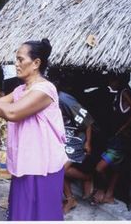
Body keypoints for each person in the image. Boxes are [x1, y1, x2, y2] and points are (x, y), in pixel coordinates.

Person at [0, 39, 68, 221]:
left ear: (36, 63)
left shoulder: (45, 89)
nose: (16, 64)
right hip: (26, 163)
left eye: (20, 59)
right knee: (23, 214)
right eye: (16, 60)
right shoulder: (21, 89)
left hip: (44, 165)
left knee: (43, 215)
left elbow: (12, 113)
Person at [91, 73, 131, 205]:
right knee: (116, 168)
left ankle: (103, 189)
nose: (109, 83)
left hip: (119, 141)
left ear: (118, 81)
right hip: (115, 139)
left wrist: (123, 128)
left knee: (99, 168)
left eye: (111, 80)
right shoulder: (118, 93)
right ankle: (110, 195)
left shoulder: (124, 93)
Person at [57, 81, 95, 213]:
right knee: (62, 171)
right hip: (64, 140)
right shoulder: (49, 98)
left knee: (59, 170)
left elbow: (88, 120)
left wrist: (88, 142)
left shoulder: (65, 100)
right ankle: (70, 198)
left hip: (76, 140)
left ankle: (86, 180)